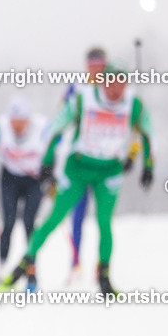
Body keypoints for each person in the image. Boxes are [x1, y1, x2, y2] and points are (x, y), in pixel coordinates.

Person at [0, 64, 154, 294]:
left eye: (121, 85)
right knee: (54, 218)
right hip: (78, 168)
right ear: (101, 83)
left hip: (109, 171)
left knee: (104, 222)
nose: (115, 91)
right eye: (111, 85)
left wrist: (147, 166)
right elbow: (57, 128)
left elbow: (147, 134)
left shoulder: (134, 105)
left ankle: (104, 276)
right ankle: (24, 264)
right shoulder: (84, 100)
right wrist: (48, 162)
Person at [0, 95, 50, 285]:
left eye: (21, 122)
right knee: (8, 223)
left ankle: (31, 272)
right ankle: (1, 268)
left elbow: (61, 147)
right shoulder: (0, 126)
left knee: (29, 223)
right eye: (13, 122)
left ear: (28, 119)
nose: (16, 126)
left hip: (34, 180)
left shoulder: (42, 126)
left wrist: (53, 177)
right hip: (10, 178)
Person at [61, 47, 108, 280]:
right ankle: (75, 263)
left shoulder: (113, 87)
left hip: (106, 161)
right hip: (80, 159)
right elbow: (62, 117)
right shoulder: (77, 87)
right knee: (77, 214)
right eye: (92, 67)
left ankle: (103, 266)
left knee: (103, 217)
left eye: (100, 67)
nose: (96, 71)